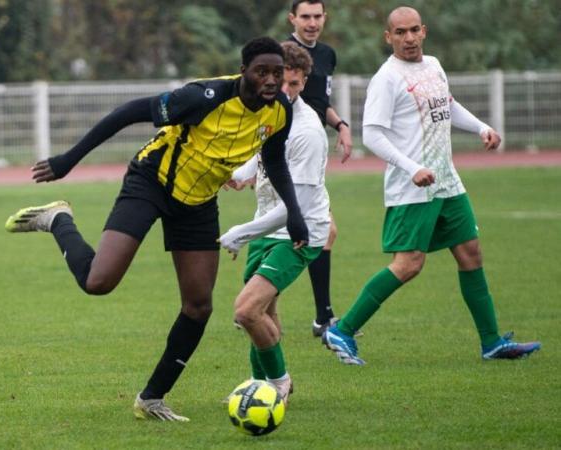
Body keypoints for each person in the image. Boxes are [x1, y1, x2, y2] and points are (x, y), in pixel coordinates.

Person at [4, 37, 308, 421]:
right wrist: (68, 160)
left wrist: (293, 212)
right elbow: (130, 112)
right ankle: (58, 219)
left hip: (197, 203)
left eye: (277, 73)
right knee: (99, 282)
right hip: (152, 182)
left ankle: (151, 399)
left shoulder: (280, 109)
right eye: (261, 71)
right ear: (243, 70)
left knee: (198, 306)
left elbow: (275, 161)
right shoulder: (205, 96)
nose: (270, 80)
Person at [323, 6, 541, 365]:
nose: (408, 38)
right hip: (413, 187)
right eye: (400, 33)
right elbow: (373, 135)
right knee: (408, 264)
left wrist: (481, 127)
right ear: (388, 37)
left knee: (471, 253)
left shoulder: (434, 65)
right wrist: (411, 168)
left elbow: (447, 106)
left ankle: (491, 342)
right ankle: (342, 330)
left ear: (423, 31)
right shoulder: (387, 77)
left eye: (413, 31)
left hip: (446, 180)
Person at [219, 41, 330, 401]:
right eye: (280, 80)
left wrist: (239, 233)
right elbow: (263, 154)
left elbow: (293, 208)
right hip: (267, 227)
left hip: (297, 235)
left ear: (304, 82)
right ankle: (259, 386)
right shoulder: (268, 113)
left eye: (294, 85)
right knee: (265, 310)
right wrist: (237, 173)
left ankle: (278, 382)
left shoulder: (308, 133)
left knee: (246, 310)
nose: (283, 90)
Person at [288, 0, 354, 337]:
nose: (312, 23)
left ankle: (253, 307)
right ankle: (323, 318)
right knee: (322, 230)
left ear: (324, 18)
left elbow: (319, 103)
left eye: (317, 16)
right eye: (305, 17)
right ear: (292, 19)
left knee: (303, 230)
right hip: (289, 152)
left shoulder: (326, 54)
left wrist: (341, 125)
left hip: (314, 151)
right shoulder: (282, 54)